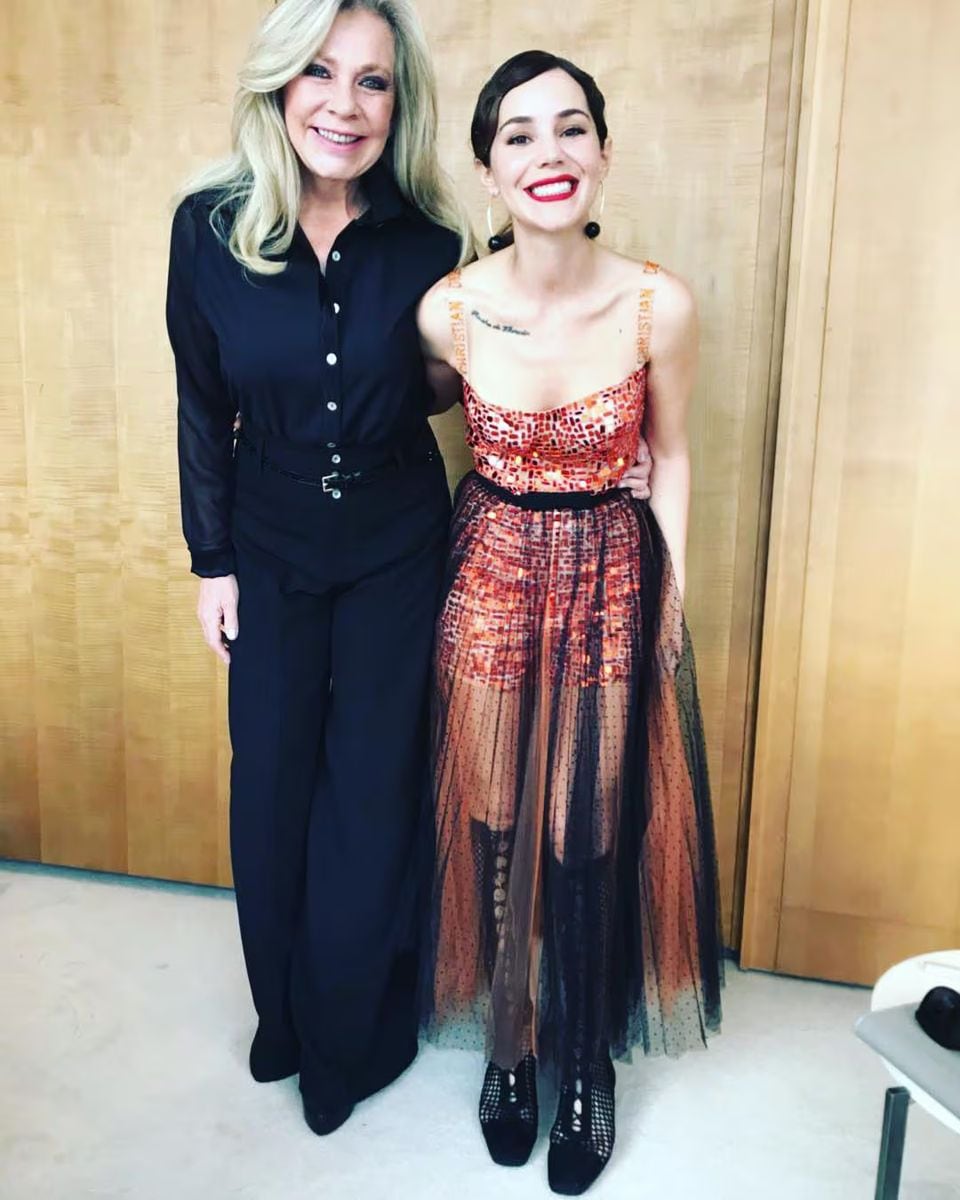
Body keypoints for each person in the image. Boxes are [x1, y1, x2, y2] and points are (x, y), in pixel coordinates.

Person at [418, 51, 723, 1195]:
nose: (549, 155)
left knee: (585, 832)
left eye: (572, 130)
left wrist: (671, 598)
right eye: (521, 137)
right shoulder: (447, 310)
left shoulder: (659, 303)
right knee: (493, 815)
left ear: (603, 152)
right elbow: (394, 433)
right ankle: (512, 1044)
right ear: (489, 171)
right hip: (488, 568)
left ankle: (586, 1058)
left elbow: (676, 454)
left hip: (610, 572)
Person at [165, 0, 471, 1136]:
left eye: (374, 82)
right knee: (275, 780)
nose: (345, 105)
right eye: (321, 75)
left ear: (402, 102)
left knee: (372, 786)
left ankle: (346, 1035)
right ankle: (283, 1014)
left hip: (399, 544)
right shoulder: (207, 228)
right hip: (271, 545)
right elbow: (203, 405)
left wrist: (611, 458)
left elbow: (476, 382)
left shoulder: (433, 244)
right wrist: (213, 562)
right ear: (279, 84)